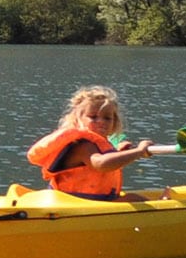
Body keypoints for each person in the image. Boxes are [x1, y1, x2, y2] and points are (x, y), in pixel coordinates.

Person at [25, 85, 156, 199]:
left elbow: (106, 164)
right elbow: (101, 164)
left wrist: (121, 153)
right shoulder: (83, 145)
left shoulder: (98, 144)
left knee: (134, 198)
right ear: (77, 119)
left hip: (91, 201)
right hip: (76, 204)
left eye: (107, 118)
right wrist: (138, 152)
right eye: (93, 117)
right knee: (136, 200)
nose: (101, 121)